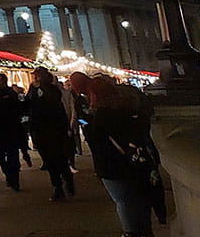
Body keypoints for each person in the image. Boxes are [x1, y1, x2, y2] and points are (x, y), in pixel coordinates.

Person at [78, 75, 163, 236]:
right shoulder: (128, 110)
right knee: (139, 199)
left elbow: (95, 138)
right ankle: (145, 230)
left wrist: (86, 122)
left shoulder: (102, 115)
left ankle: (131, 232)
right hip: (136, 162)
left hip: (112, 165)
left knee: (123, 201)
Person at [26, 67, 74, 201]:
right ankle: (57, 187)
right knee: (49, 161)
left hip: (54, 130)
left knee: (58, 158)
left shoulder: (52, 89)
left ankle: (67, 179)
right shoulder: (32, 89)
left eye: (37, 76)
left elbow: (54, 106)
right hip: (39, 130)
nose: (35, 78)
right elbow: (28, 106)